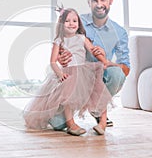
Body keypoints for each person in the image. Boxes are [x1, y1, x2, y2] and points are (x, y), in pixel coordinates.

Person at [23, 7, 112, 136]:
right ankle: (71, 124)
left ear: (79, 23)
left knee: (98, 92)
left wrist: (104, 60)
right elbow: (53, 62)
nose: (71, 23)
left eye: (75, 20)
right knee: (68, 97)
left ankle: (102, 123)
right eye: (67, 21)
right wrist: (60, 74)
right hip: (69, 72)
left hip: (84, 70)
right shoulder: (59, 41)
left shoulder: (82, 38)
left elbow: (93, 51)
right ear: (61, 24)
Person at [58, 0, 130, 127]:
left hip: (99, 76)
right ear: (88, 2)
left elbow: (126, 68)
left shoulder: (119, 32)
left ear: (111, 0)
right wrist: (61, 56)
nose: (99, 4)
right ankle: (70, 111)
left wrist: (108, 63)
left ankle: (97, 109)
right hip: (75, 76)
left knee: (117, 74)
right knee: (57, 125)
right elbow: (62, 43)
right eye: (94, 0)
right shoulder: (77, 21)